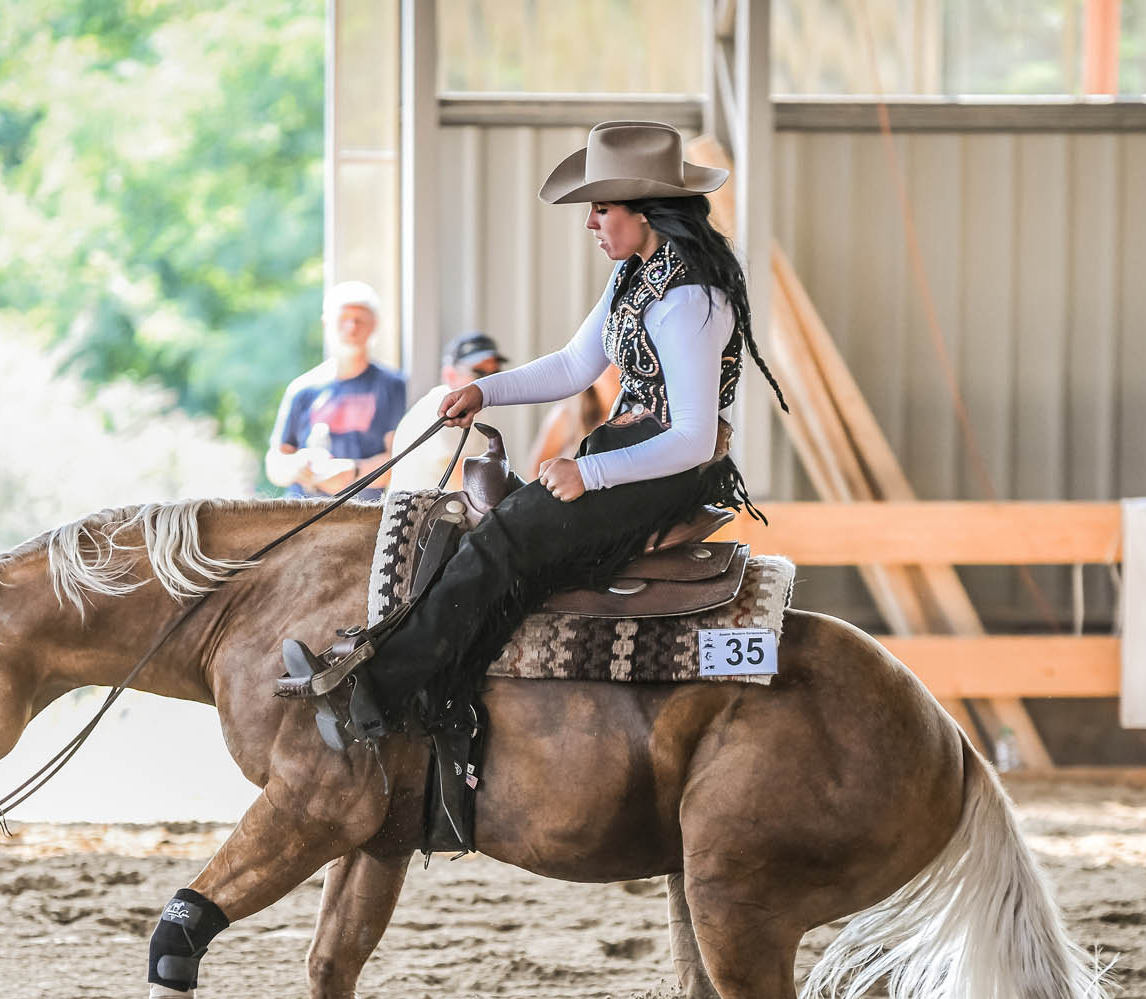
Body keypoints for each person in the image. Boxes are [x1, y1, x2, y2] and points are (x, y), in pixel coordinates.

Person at [279, 120, 787, 746]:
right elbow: (574, 365)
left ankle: (377, 695)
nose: (590, 222)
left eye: (602, 209)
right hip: (629, 454)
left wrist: (588, 472)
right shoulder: (636, 274)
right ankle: (443, 691)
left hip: (666, 471)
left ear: (645, 211)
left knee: (505, 539)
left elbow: (692, 438)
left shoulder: (689, 300)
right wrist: (484, 391)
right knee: (502, 524)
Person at [265, 281, 409, 500]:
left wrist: (353, 472)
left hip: (363, 512)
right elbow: (275, 463)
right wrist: (297, 466)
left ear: (374, 324)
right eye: (343, 319)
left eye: (359, 319)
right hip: (301, 511)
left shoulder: (393, 386)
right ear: (327, 323)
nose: (351, 327)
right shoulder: (303, 389)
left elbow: (402, 459)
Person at [385, 330, 511, 491]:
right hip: (424, 505)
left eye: (495, 373)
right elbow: (463, 481)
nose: (489, 381)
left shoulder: (476, 411)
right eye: (479, 373)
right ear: (450, 375)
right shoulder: (443, 405)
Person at [527, 364, 622, 476]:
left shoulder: (637, 415)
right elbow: (535, 472)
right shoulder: (568, 413)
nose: (610, 366)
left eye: (615, 360)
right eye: (604, 360)